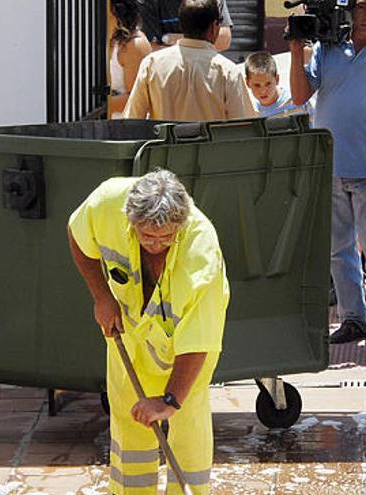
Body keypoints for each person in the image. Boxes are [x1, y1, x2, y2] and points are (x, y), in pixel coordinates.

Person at [68, 170, 229, 494]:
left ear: (180, 225)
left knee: (187, 419)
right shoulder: (108, 202)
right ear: (130, 219)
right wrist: (102, 296)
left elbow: (197, 341)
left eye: (166, 238)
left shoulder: (201, 255)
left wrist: (169, 400)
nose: (156, 245)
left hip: (184, 343)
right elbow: (77, 234)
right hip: (129, 328)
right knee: (130, 414)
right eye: (147, 236)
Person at [289, 0, 366, 346]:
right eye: (362, 7)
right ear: (349, 9)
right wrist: (297, 51)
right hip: (331, 165)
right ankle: (353, 317)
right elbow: (299, 96)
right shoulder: (328, 48)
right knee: (339, 250)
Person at [122, 0, 256, 121]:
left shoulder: (151, 65)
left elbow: (132, 120)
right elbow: (243, 126)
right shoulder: (228, 72)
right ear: (215, 27)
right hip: (211, 148)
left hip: (164, 148)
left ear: (182, 24)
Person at [108, 0, 153, 119]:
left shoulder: (134, 45)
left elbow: (137, 98)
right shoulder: (103, 38)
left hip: (125, 130)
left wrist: (98, 104)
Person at [244, 51, 314, 121]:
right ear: (247, 83)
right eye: (257, 85)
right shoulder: (250, 112)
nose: (263, 91)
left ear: (277, 79)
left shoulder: (297, 100)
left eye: (268, 84)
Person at [140, 0, 234, 52]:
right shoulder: (151, 3)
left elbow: (224, 40)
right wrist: (201, 41)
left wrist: (170, 39)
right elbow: (149, 48)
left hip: (206, 71)